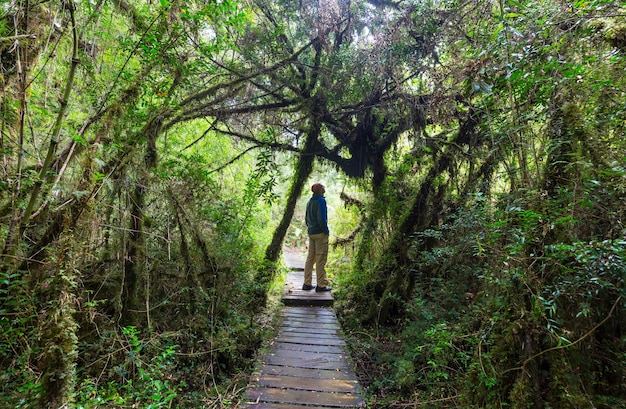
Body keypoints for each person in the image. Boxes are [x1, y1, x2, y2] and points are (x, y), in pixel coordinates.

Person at [302, 183, 332, 292]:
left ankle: (307, 283)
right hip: (320, 233)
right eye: (323, 187)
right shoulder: (321, 201)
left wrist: (310, 228)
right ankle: (321, 285)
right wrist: (326, 231)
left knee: (311, 258)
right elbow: (321, 218)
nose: (324, 188)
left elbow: (306, 218)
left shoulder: (309, 202)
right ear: (320, 190)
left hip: (311, 233)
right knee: (321, 258)